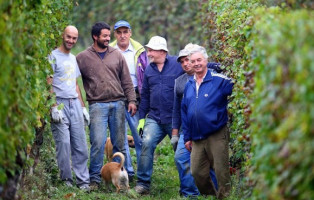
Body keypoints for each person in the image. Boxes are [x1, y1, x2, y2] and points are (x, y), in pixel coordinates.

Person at [76, 22, 137, 189]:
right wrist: (79, 105)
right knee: (97, 143)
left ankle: (120, 178)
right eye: (105, 36)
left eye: (109, 36)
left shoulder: (116, 54)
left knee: (119, 143)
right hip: (97, 105)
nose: (108, 38)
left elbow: (126, 80)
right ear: (95, 37)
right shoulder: (82, 57)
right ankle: (94, 179)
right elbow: (72, 79)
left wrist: (131, 100)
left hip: (118, 104)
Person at [181, 45, 233, 199]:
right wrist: (187, 137)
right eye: (193, 61)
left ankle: (225, 197)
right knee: (197, 172)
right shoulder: (189, 85)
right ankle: (214, 194)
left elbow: (238, 84)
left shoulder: (219, 81)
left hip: (216, 133)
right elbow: (185, 111)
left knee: (221, 171)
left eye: (199, 60)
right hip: (196, 137)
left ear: (206, 60)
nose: (196, 63)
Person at [134, 36, 184, 194]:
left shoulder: (178, 64)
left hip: (175, 120)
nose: (148, 54)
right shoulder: (149, 70)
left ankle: (188, 187)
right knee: (146, 143)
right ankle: (143, 183)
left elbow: (195, 67)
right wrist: (142, 120)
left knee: (182, 152)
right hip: (155, 118)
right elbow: (145, 96)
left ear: (162, 51)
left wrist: (213, 66)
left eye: (151, 51)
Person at [171, 44, 219, 197]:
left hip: (210, 128)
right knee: (181, 157)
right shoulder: (179, 82)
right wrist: (175, 133)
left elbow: (221, 67)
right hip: (188, 130)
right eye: (182, 61)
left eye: (188, 60)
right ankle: (189, 193)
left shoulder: (211, 74)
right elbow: (176, 109)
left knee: (210, 162)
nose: (185, 64)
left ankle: (213, 193)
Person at [48, 25, 90, 191]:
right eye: (69, 37)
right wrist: (53, 106)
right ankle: (66, 180)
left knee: (80, 144)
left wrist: (83, 106)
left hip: (75, 104)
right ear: (62, 36)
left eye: (74, 38)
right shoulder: (52, 56)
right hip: (60, 103)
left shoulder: (73, 58)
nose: (71, 40)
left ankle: (83, 182)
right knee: (64, 144)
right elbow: (48, 81)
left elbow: (75, 84)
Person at [110, 20, 149, 177]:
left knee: (139, 136)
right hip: (117, 96)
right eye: (119, 32)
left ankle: (142, 173)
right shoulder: (110, 50)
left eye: (125, 32)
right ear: (115, 35)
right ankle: (126, 171)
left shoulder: (139, 50)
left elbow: (146, 73)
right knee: (120, 138)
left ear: (130, 33)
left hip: (135, 98)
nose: (122, 35)